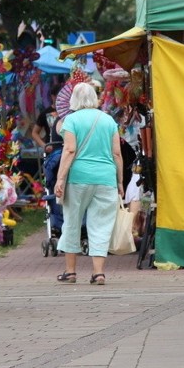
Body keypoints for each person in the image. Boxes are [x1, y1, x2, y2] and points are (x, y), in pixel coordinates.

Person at [53, 82, 123, 285]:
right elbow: (116, 153)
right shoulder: (109, 120)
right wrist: (119, 181)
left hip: (78, 178)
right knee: (101, 224)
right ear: (95, 98)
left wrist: (60, 178)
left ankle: (71, 271)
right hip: (106, 177)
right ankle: (98, 273)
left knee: (72, 221)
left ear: (73, 99)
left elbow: (69, 150)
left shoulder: (71, 120)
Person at [31, 83, 64, 235]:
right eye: (58, 96)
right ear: (52, 97)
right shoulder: (46, 113)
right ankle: (57, 221)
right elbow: (35, 132)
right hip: (53, 154)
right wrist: (44, 145)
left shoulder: (68, 113)